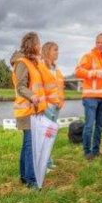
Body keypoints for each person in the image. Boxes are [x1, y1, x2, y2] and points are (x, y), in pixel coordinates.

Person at [11, 32, 47, 189]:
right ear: (33, 45)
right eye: (39, 43)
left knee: (28, 145)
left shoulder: (33, 63)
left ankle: (25, 177)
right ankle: (32, 181)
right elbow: (21, 87)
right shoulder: (22, 63)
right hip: (27, 111)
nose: (40, 46)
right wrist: (32, 97)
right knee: (30, 146)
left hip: (34, 111)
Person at [75, 33, 102, 160]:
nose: (100, 45)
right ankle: (87, 151)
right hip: (90, 97)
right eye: (98, 42)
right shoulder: (88, 56)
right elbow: (78, 71)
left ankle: (96, 150)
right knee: (89, 125)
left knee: (100, 125)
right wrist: (93, 72)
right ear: (95, 43)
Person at [40, 41, 65, 170]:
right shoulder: (41, 68)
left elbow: (60, 88)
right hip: (47, 107)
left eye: (57, 50)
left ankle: (48, 162)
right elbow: (39, 88)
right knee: (44, 135)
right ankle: (44, 164)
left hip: (56, 107)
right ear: (47, 51)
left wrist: (61, 101)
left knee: (50, 136)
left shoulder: (56, 70)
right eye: (55, 50)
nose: (57, 52)